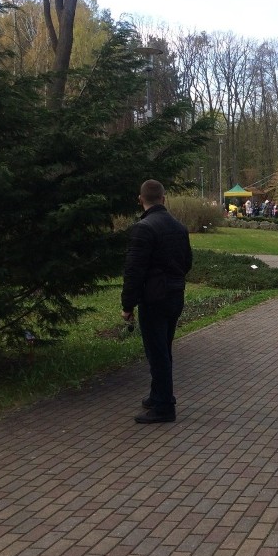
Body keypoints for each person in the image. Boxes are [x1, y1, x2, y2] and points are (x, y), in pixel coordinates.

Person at [121, 179, 193, 424]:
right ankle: (157, 395)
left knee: (157, 351)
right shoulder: (179, 227)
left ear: (141, 200)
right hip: (175, 295)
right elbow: (187, 262)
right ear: (164, 199)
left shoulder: (143, 228)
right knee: (164, 348)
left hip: (154, 298)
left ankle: (164, 406)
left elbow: (134, 270)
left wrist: (127, 305)